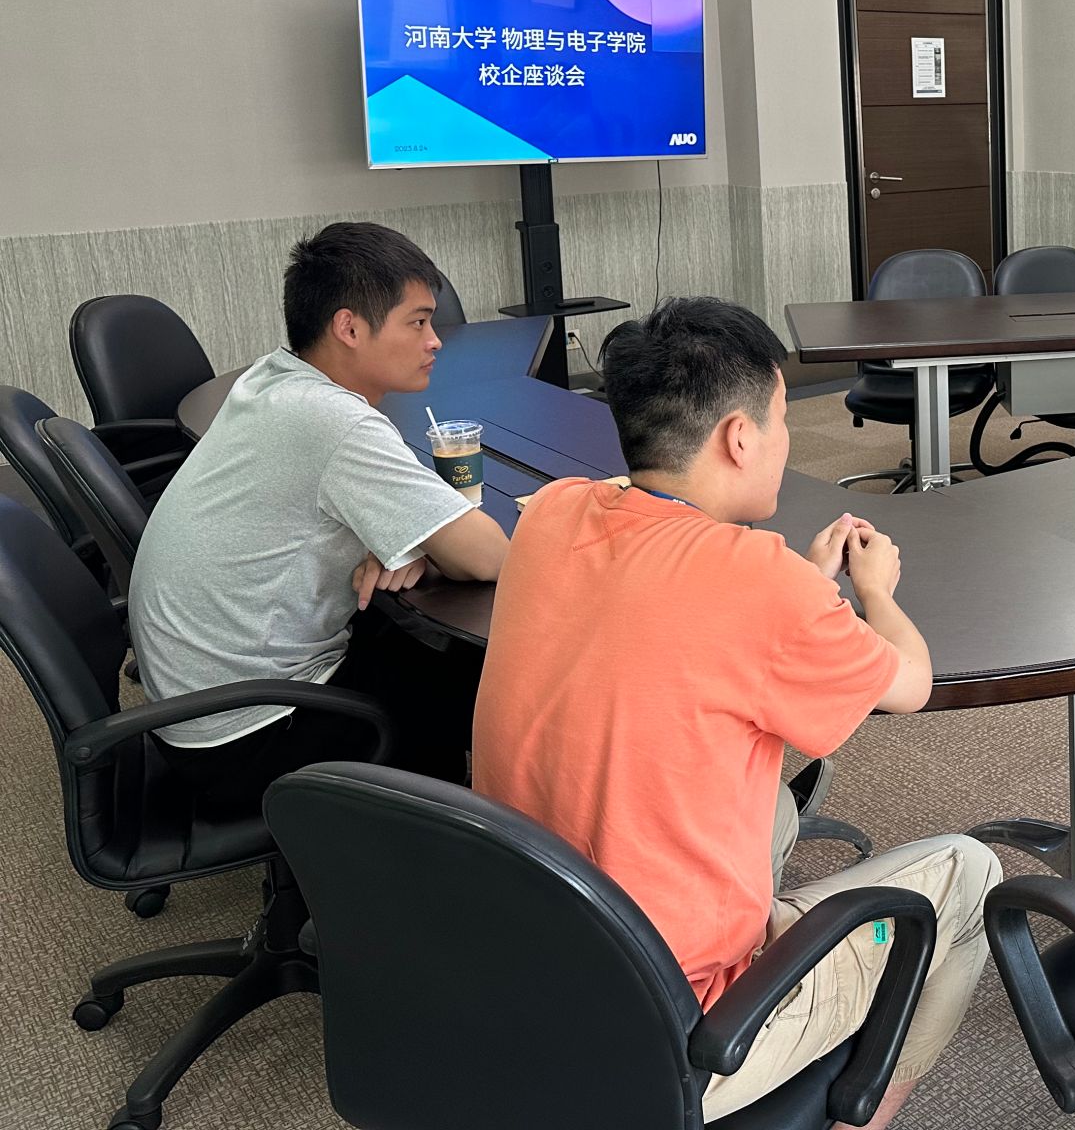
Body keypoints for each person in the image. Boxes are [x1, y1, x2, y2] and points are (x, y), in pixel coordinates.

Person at [472, 297, 998, 1127]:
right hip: (670, 1031)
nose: (786, 440)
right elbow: (911, 682)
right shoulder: (759, 578)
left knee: (777, 812)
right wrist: (876, 592)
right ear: (740, 438)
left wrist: (800, 587)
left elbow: (672, 600)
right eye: (782, 419)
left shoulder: (553, 512)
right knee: (970, 876)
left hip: (525, 971)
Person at [128, 222, 510, 811]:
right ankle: (477, 830)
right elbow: (489, 557)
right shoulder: (336, 423)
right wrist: (424, 538)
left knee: (418, 639)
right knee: (482, 679)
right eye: (418, 322)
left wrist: (406, 539)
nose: (435, 341)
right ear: (349, 327)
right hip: (250, 738)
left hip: (199, 708)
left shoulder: (272, 379)